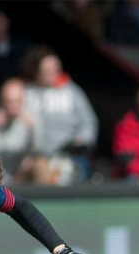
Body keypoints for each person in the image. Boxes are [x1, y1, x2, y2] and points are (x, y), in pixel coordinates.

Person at [21, 46, 98, 184]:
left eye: (56, 70)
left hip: (68, 156)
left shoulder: (71, 91)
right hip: (35, 157)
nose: (54, 74)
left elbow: (89, 122)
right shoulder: (27, 93)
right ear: (37, 72)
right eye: (47, 71)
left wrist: (82, 139)